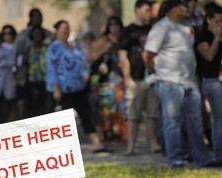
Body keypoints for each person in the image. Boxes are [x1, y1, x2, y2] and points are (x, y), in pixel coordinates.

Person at [143, 0, 220, 168]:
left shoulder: (188, 26)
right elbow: (148, 55)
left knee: (196, 121)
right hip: (169, 82)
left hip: (190, 82)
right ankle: (176, 159)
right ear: (174, 8)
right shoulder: (161, 28)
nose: (189, 8)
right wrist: (158, 73)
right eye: (184, 6)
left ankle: (202, 158)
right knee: (172, 122)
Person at [46, 20, 111, 153]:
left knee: (85, 114)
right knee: (65, 119)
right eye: (63, 28)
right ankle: (63, 149)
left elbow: (83, 62)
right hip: (64, 90)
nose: (66, 31)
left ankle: (96, 142)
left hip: (79, 88)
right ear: (57, 30)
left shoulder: (74, 46)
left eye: (67, 28)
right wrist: (56, 88)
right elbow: (51, 69)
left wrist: (85, 73)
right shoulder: (53, 48)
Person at [118, 0, 160, 155]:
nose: (149, 13)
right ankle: (131, 146)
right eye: (146, 9)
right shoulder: (128, 31)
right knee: (134, 116)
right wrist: (127, 78)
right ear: (137, 10)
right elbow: (122, 56)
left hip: (152, 78)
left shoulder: (154, 29)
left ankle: (154, 144)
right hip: (135, 80)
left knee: (152, 114)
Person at [90, 16, 126, 141]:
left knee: (120, 105)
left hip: (120, 78)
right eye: (111, 25)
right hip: (105, 79)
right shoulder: (103, 40)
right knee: (106, 106)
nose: (114, 28)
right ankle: (106, 132)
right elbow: (93, 57)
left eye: (116, 24)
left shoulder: (124, 39)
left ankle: (119, 133)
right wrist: (107, 46)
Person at [197, 6, 222, 162]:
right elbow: (209, 56)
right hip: (212, 82)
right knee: (219, 118)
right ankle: (219, 153)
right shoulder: (203, 37)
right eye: (217, 21)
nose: (220, 24)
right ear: (209, 20)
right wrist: (216, 38)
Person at [13, 8, 54, 79]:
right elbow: (15, 53)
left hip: (46, 73)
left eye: (40, 17)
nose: (39, 19)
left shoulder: (48, 34)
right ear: (31, 18)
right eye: (37, 17)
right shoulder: (23, 35)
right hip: (28, 73)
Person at [23, 26, 52, 118]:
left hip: (46, 81)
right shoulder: (29, 49)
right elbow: (25, 65)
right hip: (33, 81)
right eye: (35, 34)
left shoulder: (47, 49)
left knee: (47, 105)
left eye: (39, 34)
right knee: (35, 105)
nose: (37, 36)